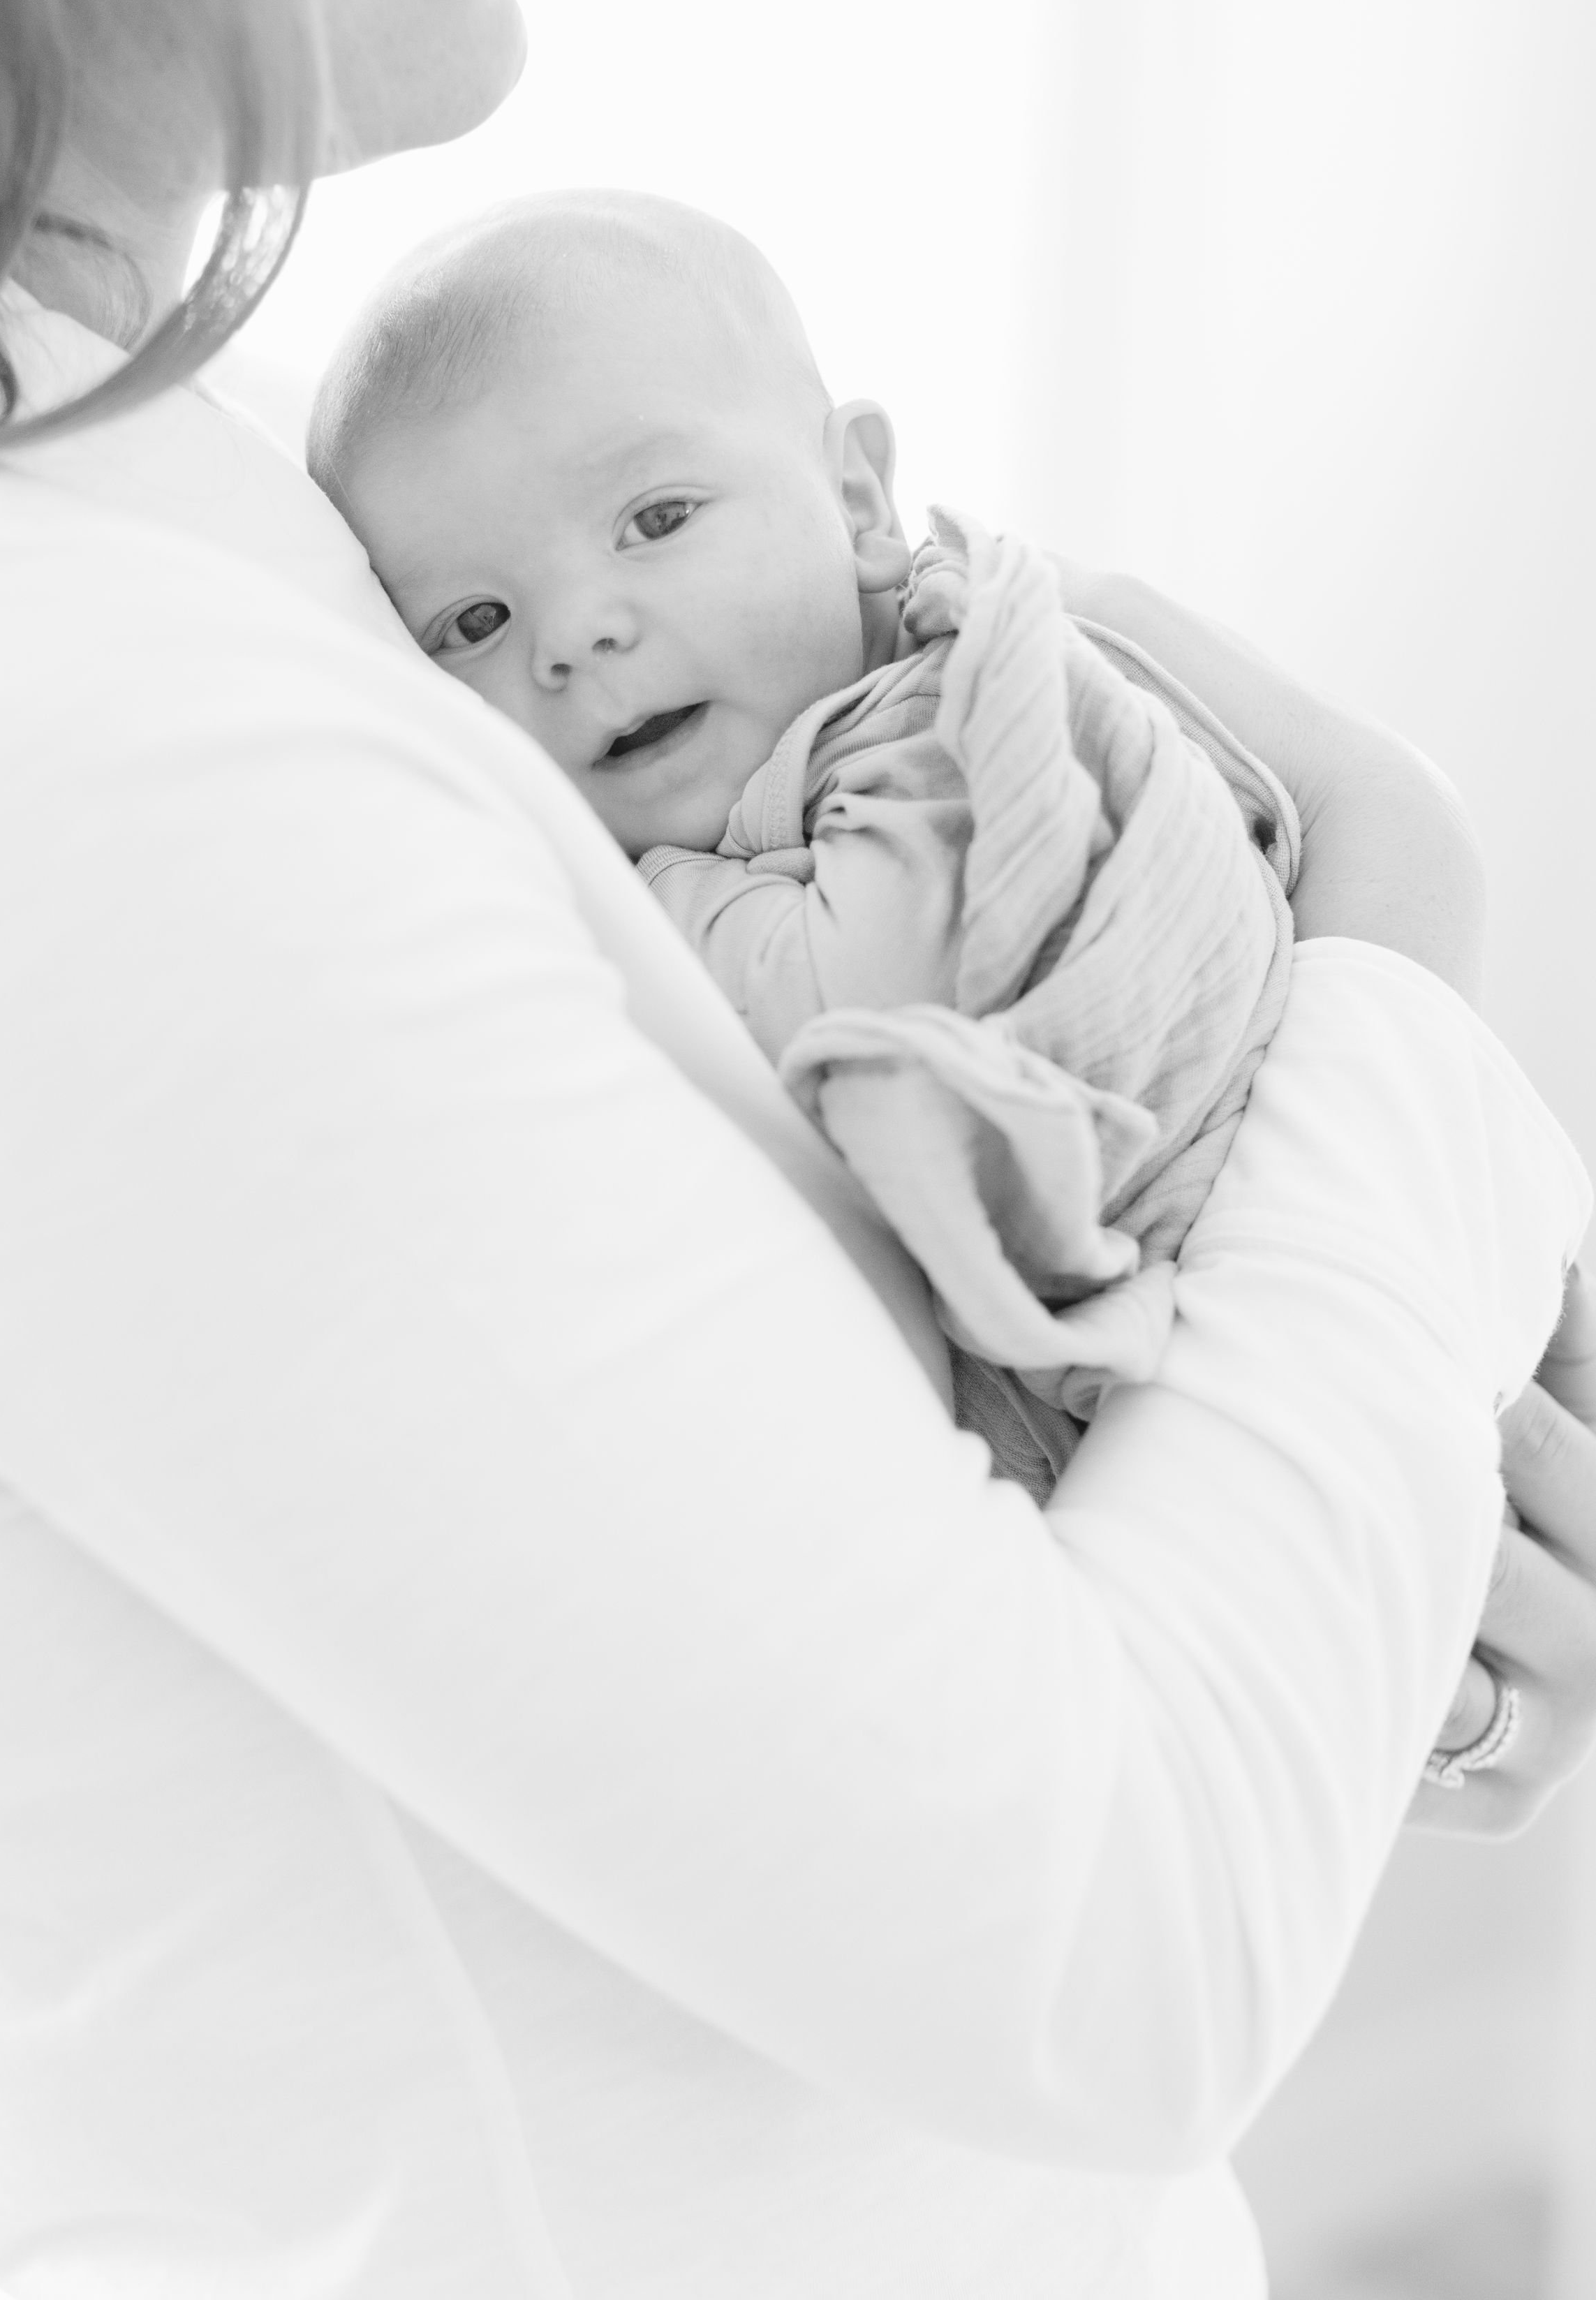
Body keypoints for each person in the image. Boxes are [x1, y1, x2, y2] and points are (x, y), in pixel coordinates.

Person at [0, 0, 1593, 2298]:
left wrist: (1325, 1583)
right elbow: (1118, 1943)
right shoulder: (94, 734)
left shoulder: (197, 483)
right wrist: (1395, 949)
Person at [307, 190, 1301, 1491]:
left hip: (1253, 1316)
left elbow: (852, 1008)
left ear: (856, 496)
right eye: (476, 622)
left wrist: (626, 892)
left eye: (655, 521)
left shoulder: (953, 720)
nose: (573, 634)